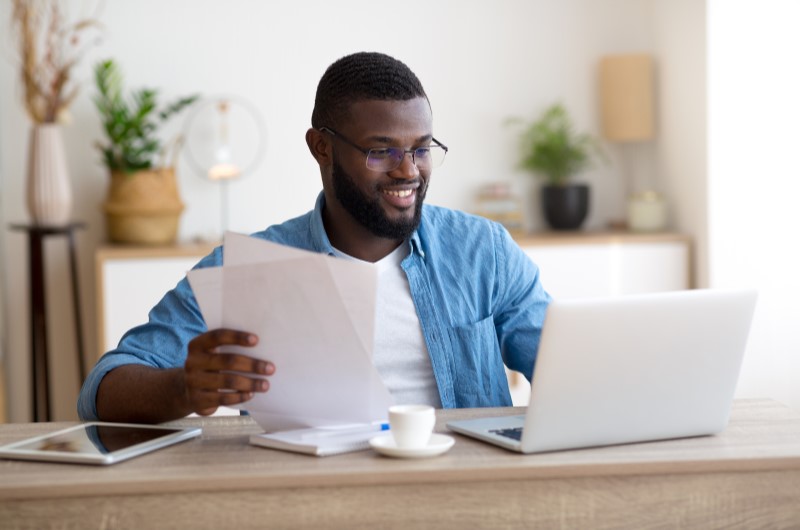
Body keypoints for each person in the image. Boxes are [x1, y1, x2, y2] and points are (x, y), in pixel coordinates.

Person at [78, 51, 551, 423]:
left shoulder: (482, 251)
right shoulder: (249, 269)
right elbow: (102, 387)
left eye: (421, 149)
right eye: (380, 151)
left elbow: (564, 370)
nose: (408, 171)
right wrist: (182, 387)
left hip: (468, 495)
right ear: (321, 147)